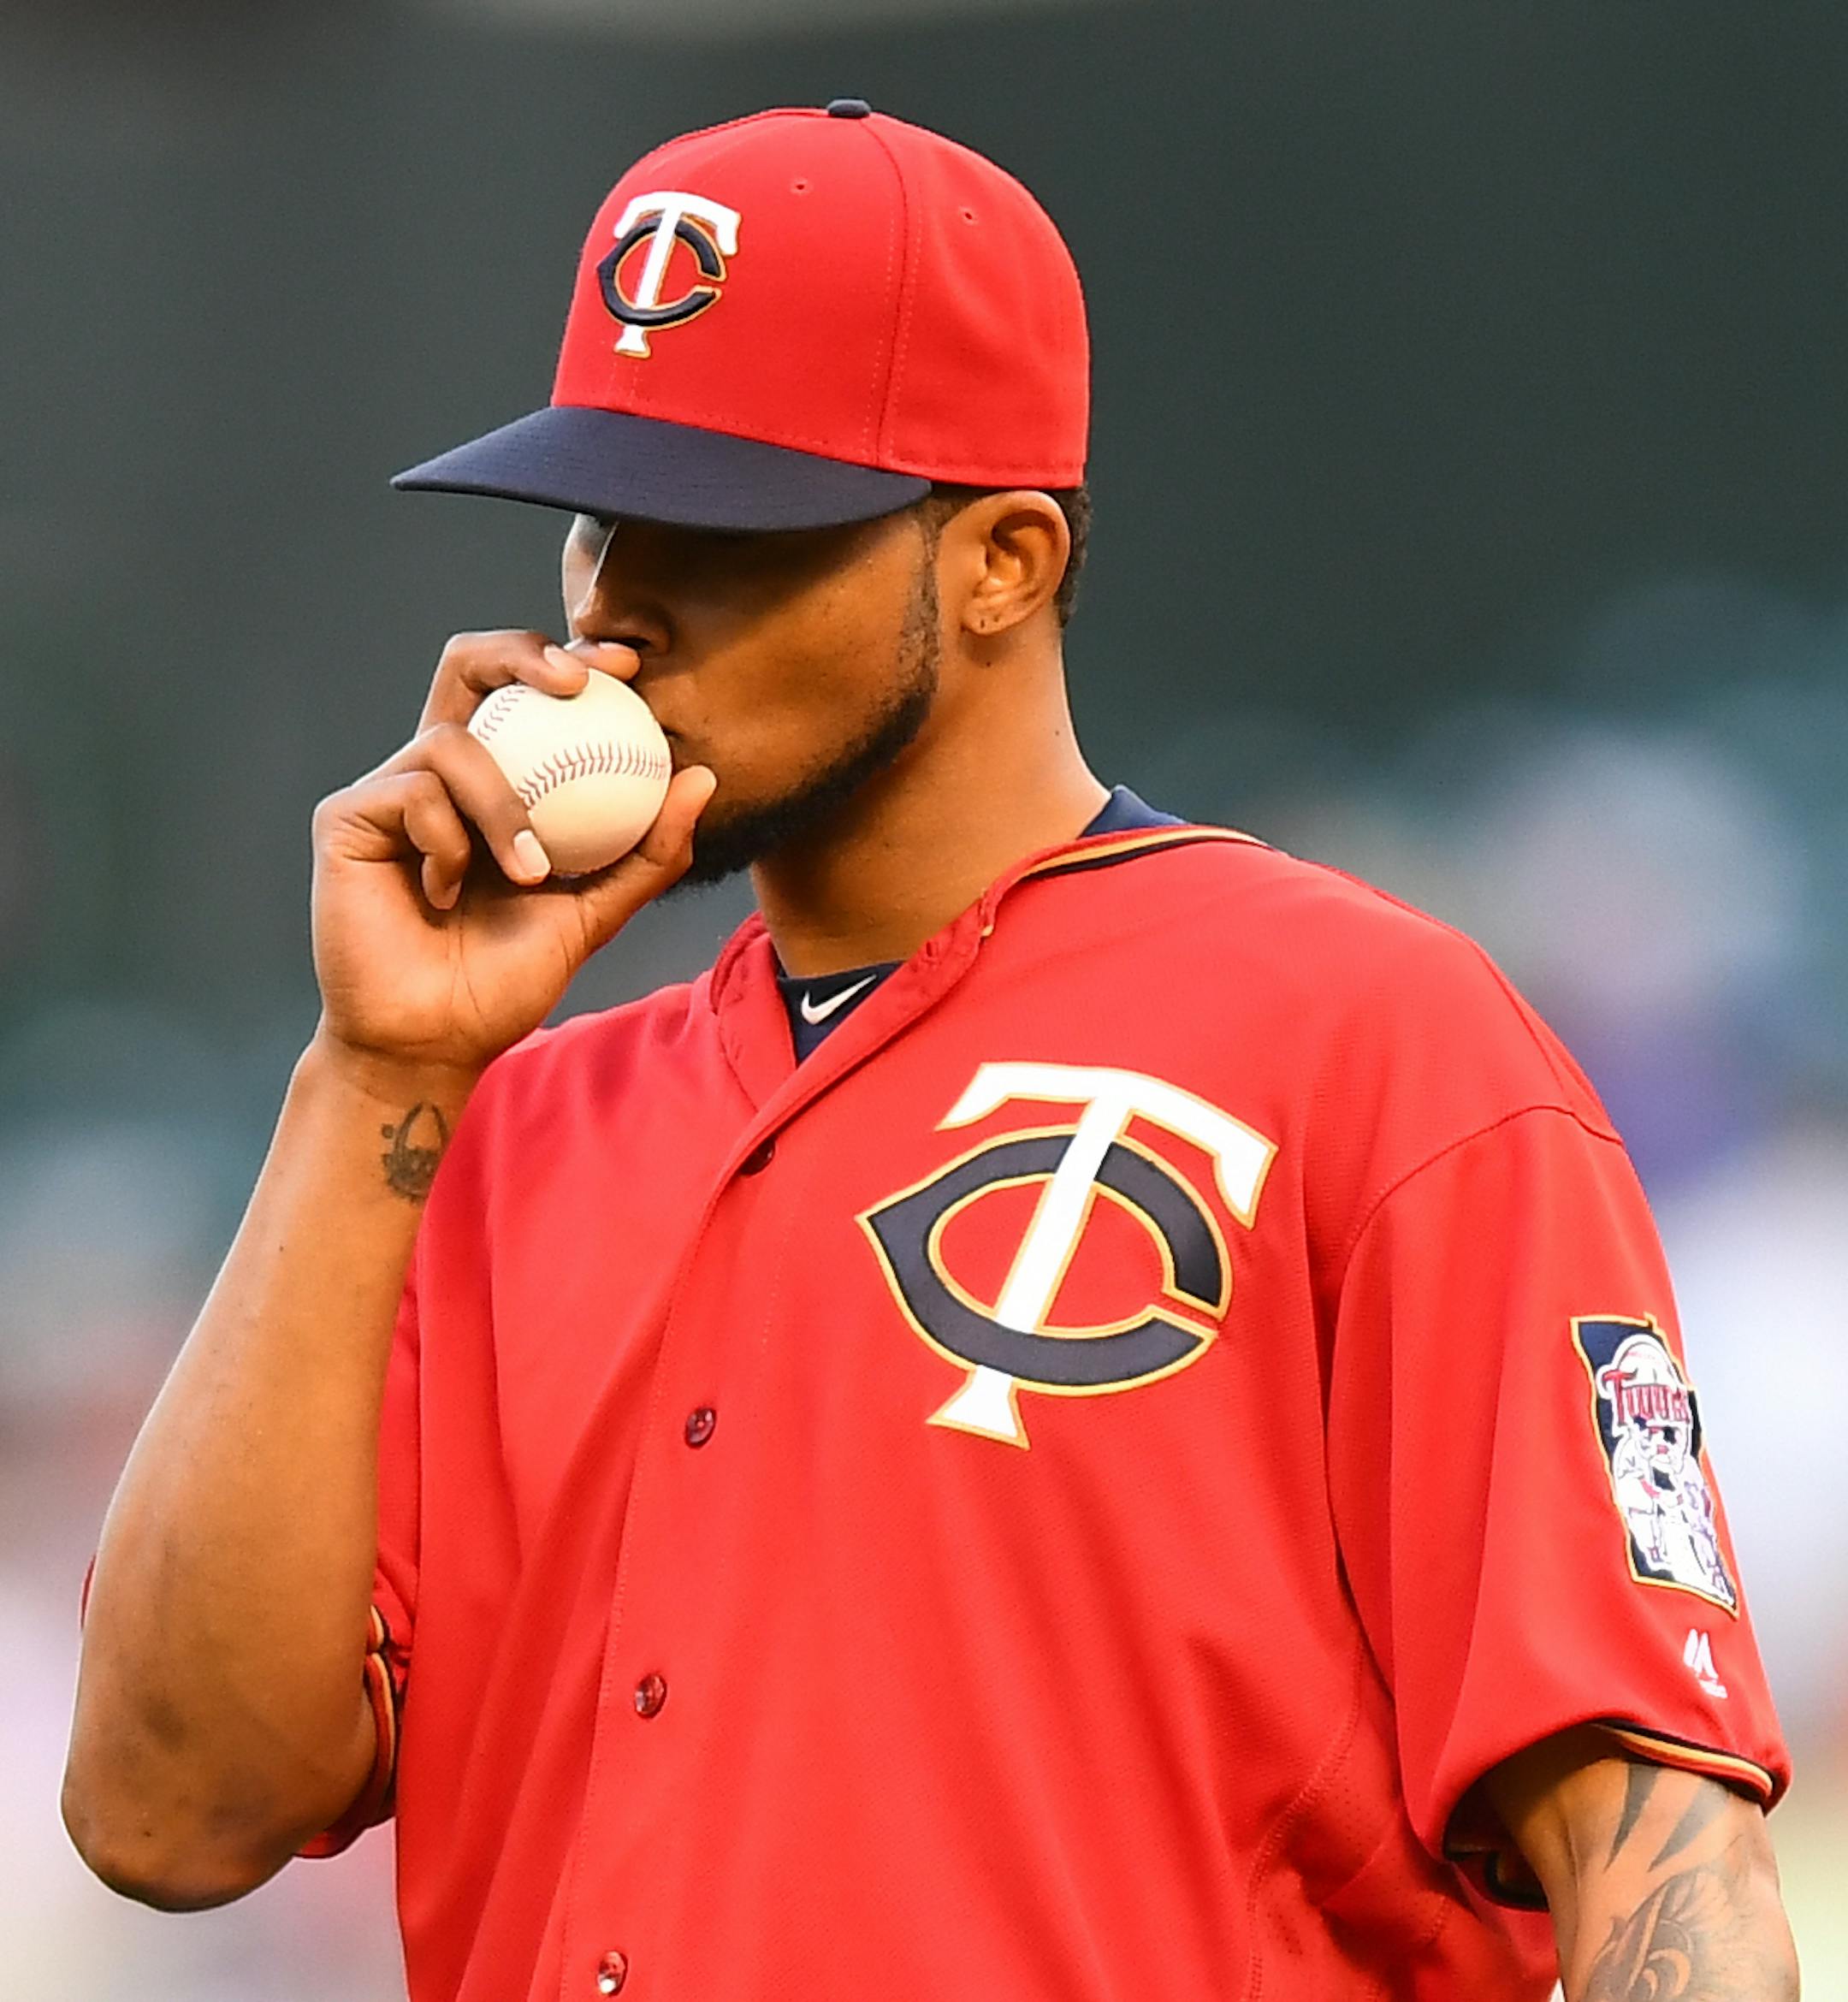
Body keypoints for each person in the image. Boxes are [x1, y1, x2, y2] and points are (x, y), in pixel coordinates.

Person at [63, 103, 1799, 2002]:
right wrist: (373, 1076)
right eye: (597, 512)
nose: (619, 607)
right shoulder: (497, 1126)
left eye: (723, 526)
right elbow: (167, 1818)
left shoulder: (1371, 1042)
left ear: (1002, 560)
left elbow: (1663, 1865)